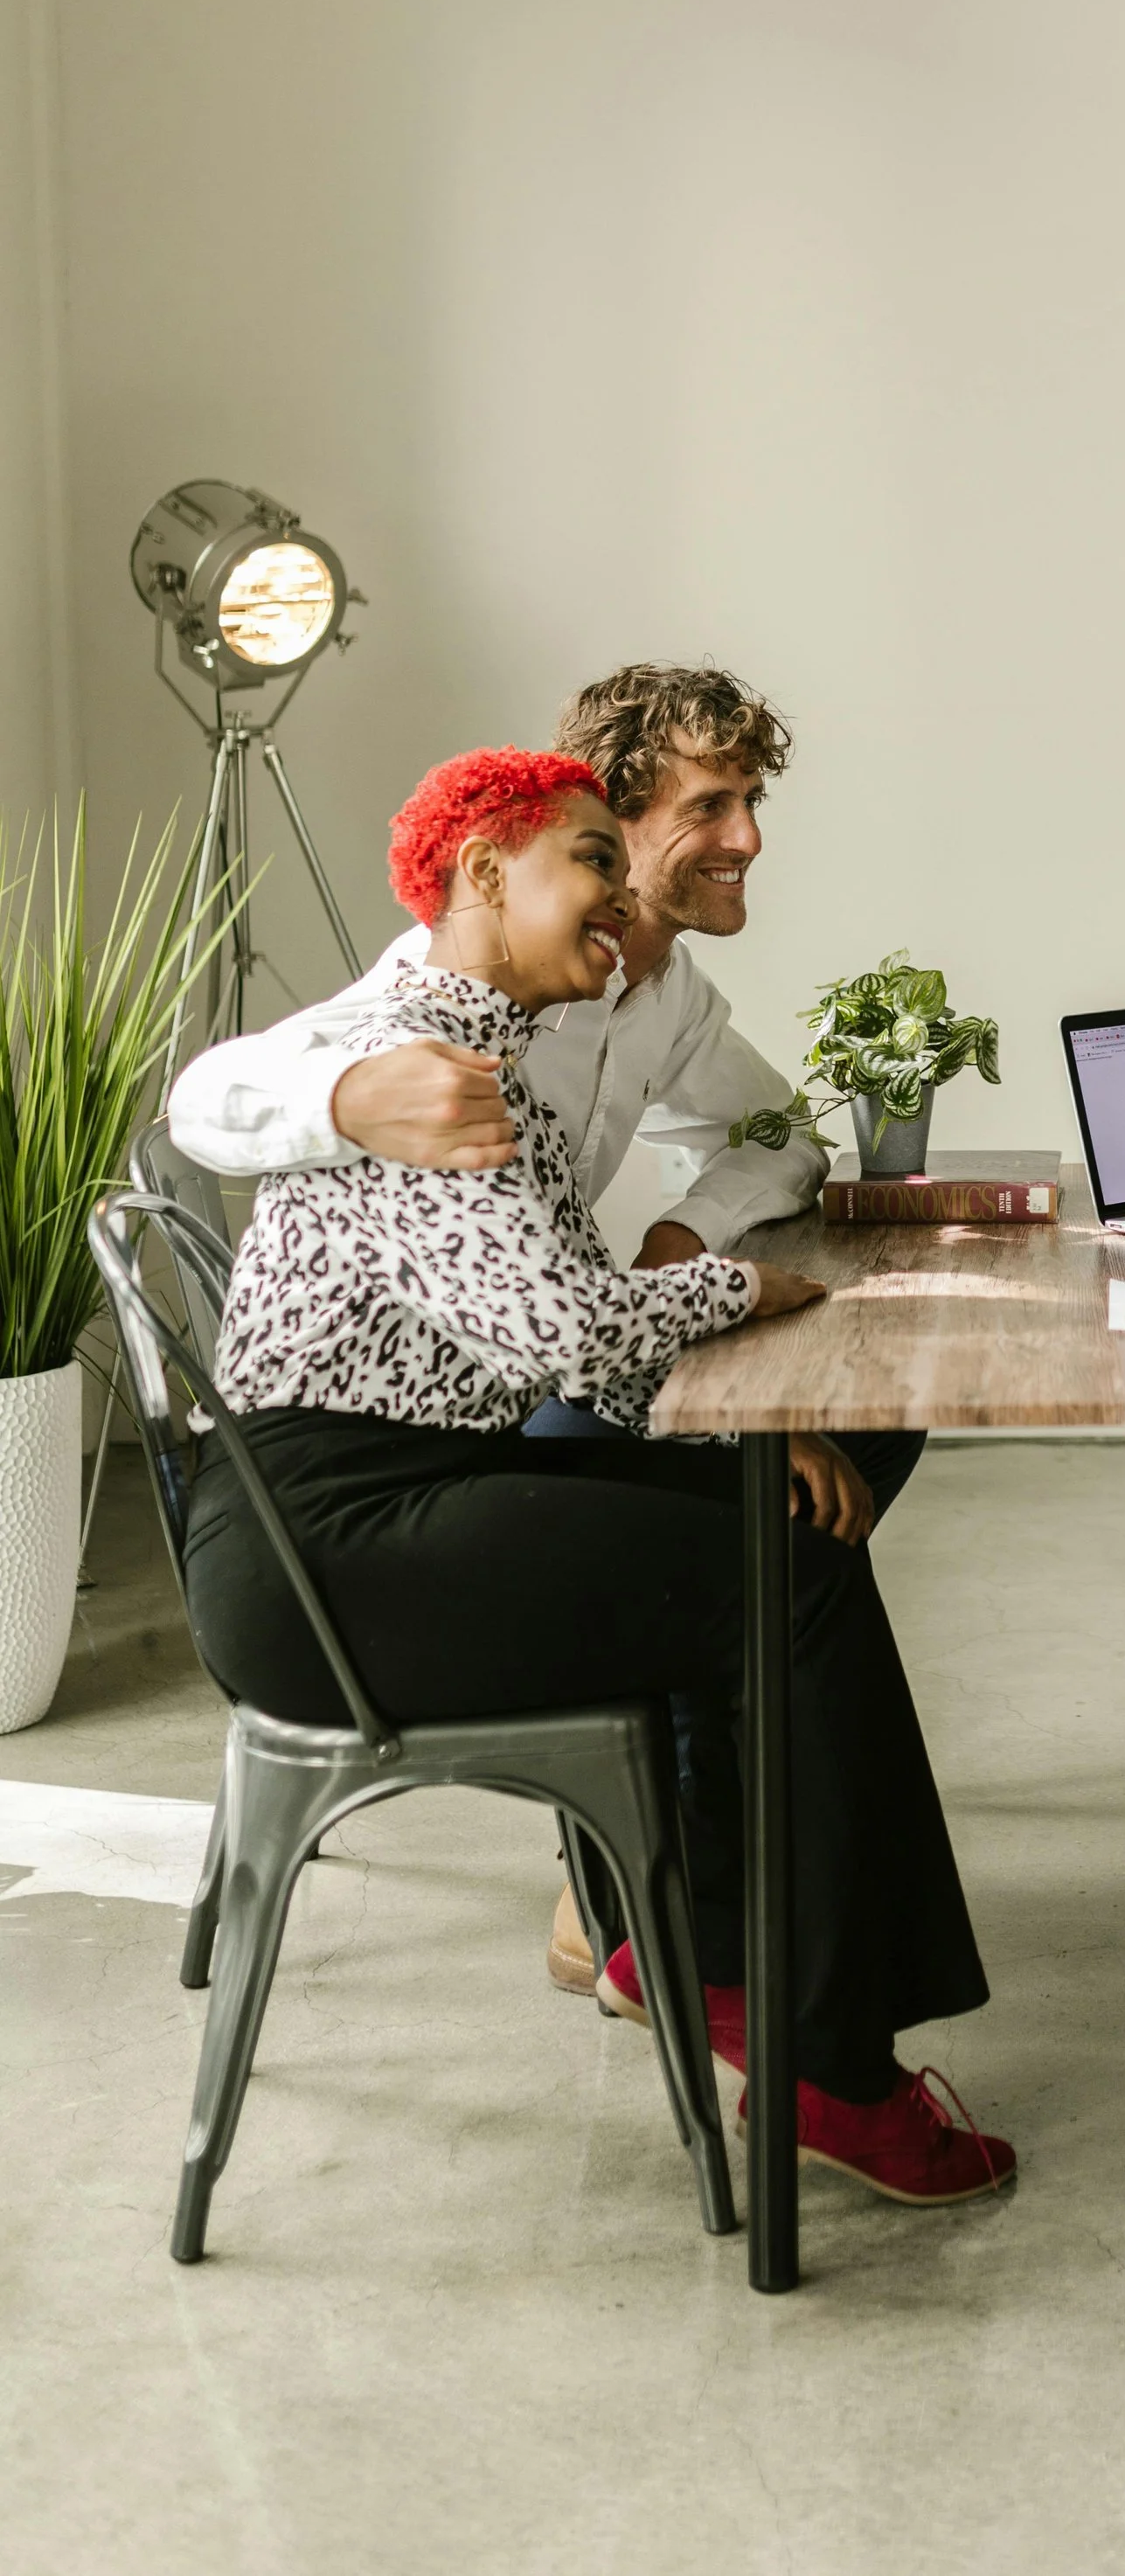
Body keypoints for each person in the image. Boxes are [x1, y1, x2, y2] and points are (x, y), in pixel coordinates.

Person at [191, 745, 1013, 2205]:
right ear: (483, 874)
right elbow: (570, 1323)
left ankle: (702, 1951)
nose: (622, 897)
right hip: (333, 1549)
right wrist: (744, 1295)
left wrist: (763, 1422)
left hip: (379, 1500)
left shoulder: (486, 1044)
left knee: (788, 1525)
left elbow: (561, 1312)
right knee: (791, 1586)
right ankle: (833, 2062)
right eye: (589, 857)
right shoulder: (425, 1071)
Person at [169, 660, 913, 1994]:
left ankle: (700, 1908)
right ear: (529, 859)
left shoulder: (621, 1002)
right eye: (714, 805)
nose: (748, 838)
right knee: (769, 1562)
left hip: (451, 1433)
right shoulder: (431, 1040)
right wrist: (346, 1098)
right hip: (356, 1501)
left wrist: (688, 1242)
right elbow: (207, 1098)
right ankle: (694, 1940)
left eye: (753, 800)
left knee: (814, 1484)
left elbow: (773, 1141)